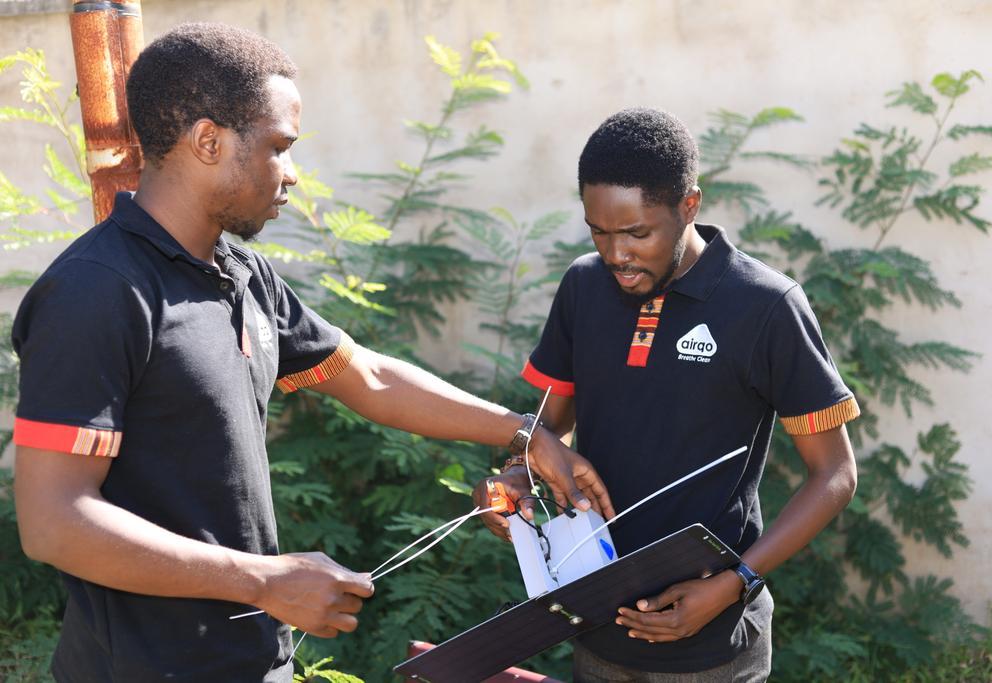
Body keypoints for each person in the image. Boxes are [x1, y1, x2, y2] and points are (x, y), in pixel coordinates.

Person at [11, 24, 612, 682]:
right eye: (279, 147)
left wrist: (524, 432)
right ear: (208, 141)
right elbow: (54, 522)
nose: (292, 173)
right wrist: (265, 582)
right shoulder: (97, 291)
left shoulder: (240, 272)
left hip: (255, 662)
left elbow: (366, 375)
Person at [474, 108, 859, 682]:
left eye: (637, 233)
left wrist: (734, 584)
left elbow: (834, 475)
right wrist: (514, 481)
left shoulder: (766, 307)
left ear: (690, 206)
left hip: (713, 645)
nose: (616, 256)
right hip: (596, 625)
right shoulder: (583, 286)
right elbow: (546, 433)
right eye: (599, 232)